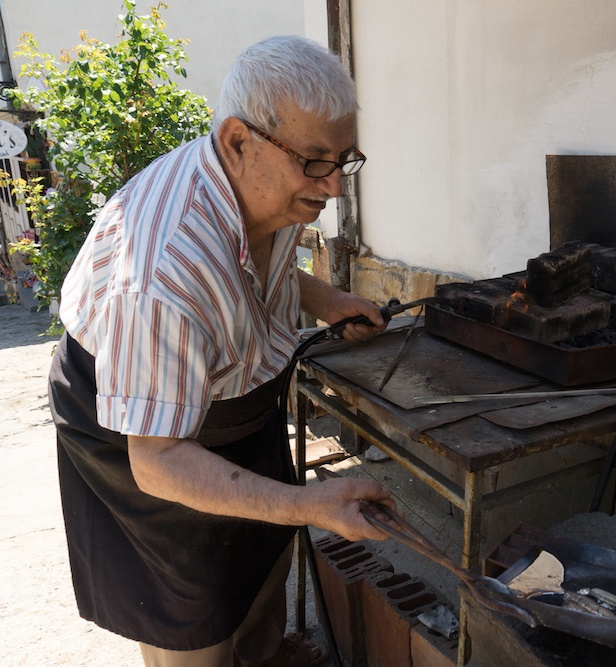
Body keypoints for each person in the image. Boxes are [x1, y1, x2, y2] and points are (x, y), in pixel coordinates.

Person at [48, 35, 393, 667]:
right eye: (316, 163)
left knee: (261, 549)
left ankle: (263, 656)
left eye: (344, 160)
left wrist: (330, 302)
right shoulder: (160, 274)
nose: (334, 188)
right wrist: (305, 505)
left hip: (233, 394)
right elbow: (157, 460)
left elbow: (267, 272)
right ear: (238, 142)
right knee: (188, 601)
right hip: (139, 421)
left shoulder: (271, 188)